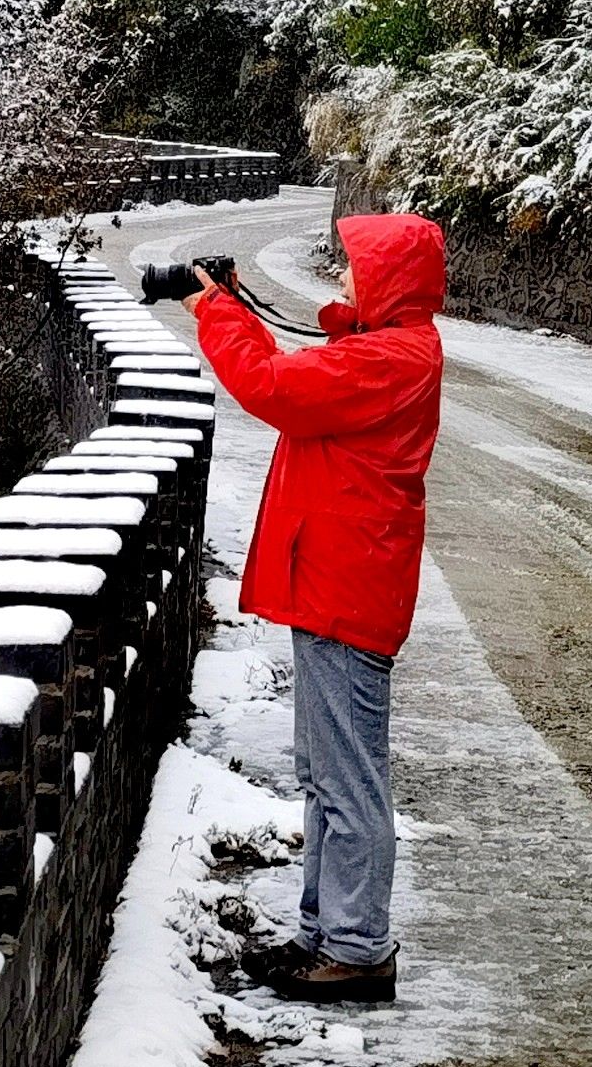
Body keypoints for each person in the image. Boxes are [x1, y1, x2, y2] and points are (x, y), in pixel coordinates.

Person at [191, 213, 446, 1005]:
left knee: (349, 778)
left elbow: (273, 388)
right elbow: (319, 365)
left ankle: (358, 950)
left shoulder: (391, 359)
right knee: (325, 773)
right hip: (340, 581)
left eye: (354, 270)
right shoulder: (388, 349)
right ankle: (325, 935)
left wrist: (219, 312)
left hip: (348, 588)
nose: (340, 278)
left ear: (389, 284)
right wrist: (238, 305)